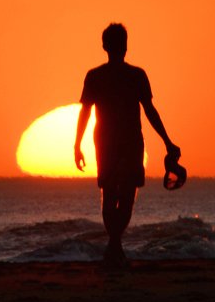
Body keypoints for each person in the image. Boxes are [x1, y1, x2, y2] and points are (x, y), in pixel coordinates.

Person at [75, 23, 180, 268]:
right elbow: (150, 112)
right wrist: (167, 141)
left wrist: (77, 144)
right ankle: (115, 245)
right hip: (126, 142)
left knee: (111, 195)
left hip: (111, 142)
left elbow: (84, 114)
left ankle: (114, 246)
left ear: (105, 46)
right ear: (124, 46)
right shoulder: (132, 75)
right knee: (124, 196)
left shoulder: (102, 76)